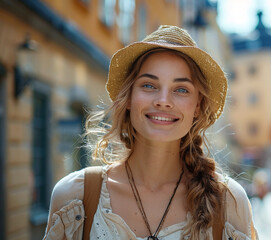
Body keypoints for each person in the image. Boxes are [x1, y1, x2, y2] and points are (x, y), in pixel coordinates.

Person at [43, 25, 258, 240]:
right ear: (128, 98)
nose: (163, 101)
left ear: (198, 107)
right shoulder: (75, 198)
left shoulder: (229, 202)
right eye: (149, 85)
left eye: (181, 89)